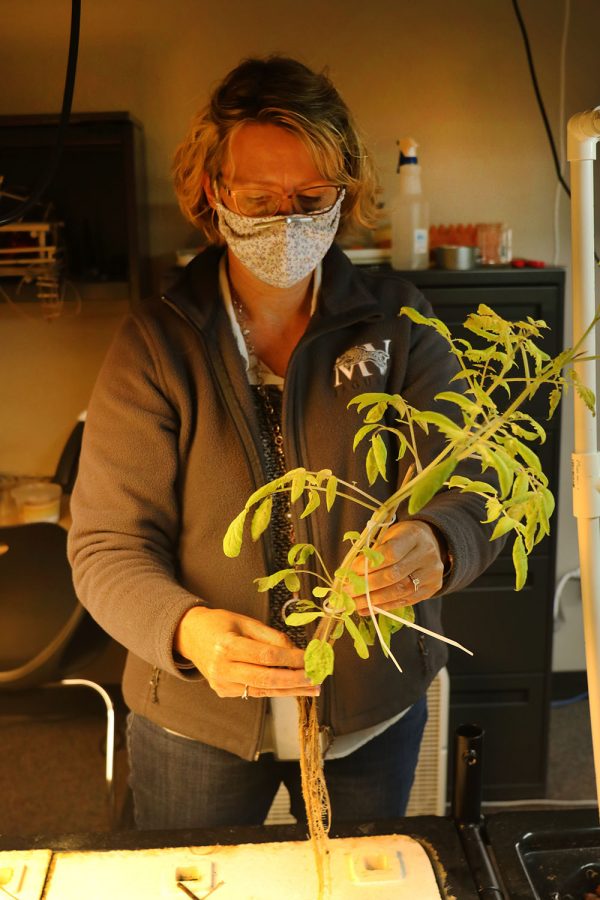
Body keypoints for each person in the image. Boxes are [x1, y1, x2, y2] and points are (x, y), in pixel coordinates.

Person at [68, 55, 501, 831]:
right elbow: (106, 545)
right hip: (197, 716)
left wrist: (442, 541)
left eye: (312, 197)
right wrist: (185, 628)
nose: (288, 219)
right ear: (213, 193)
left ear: (346, 195)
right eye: (258, 198)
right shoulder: (157, 342)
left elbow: (479, 490)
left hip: (368, 708)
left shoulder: (400, 325)